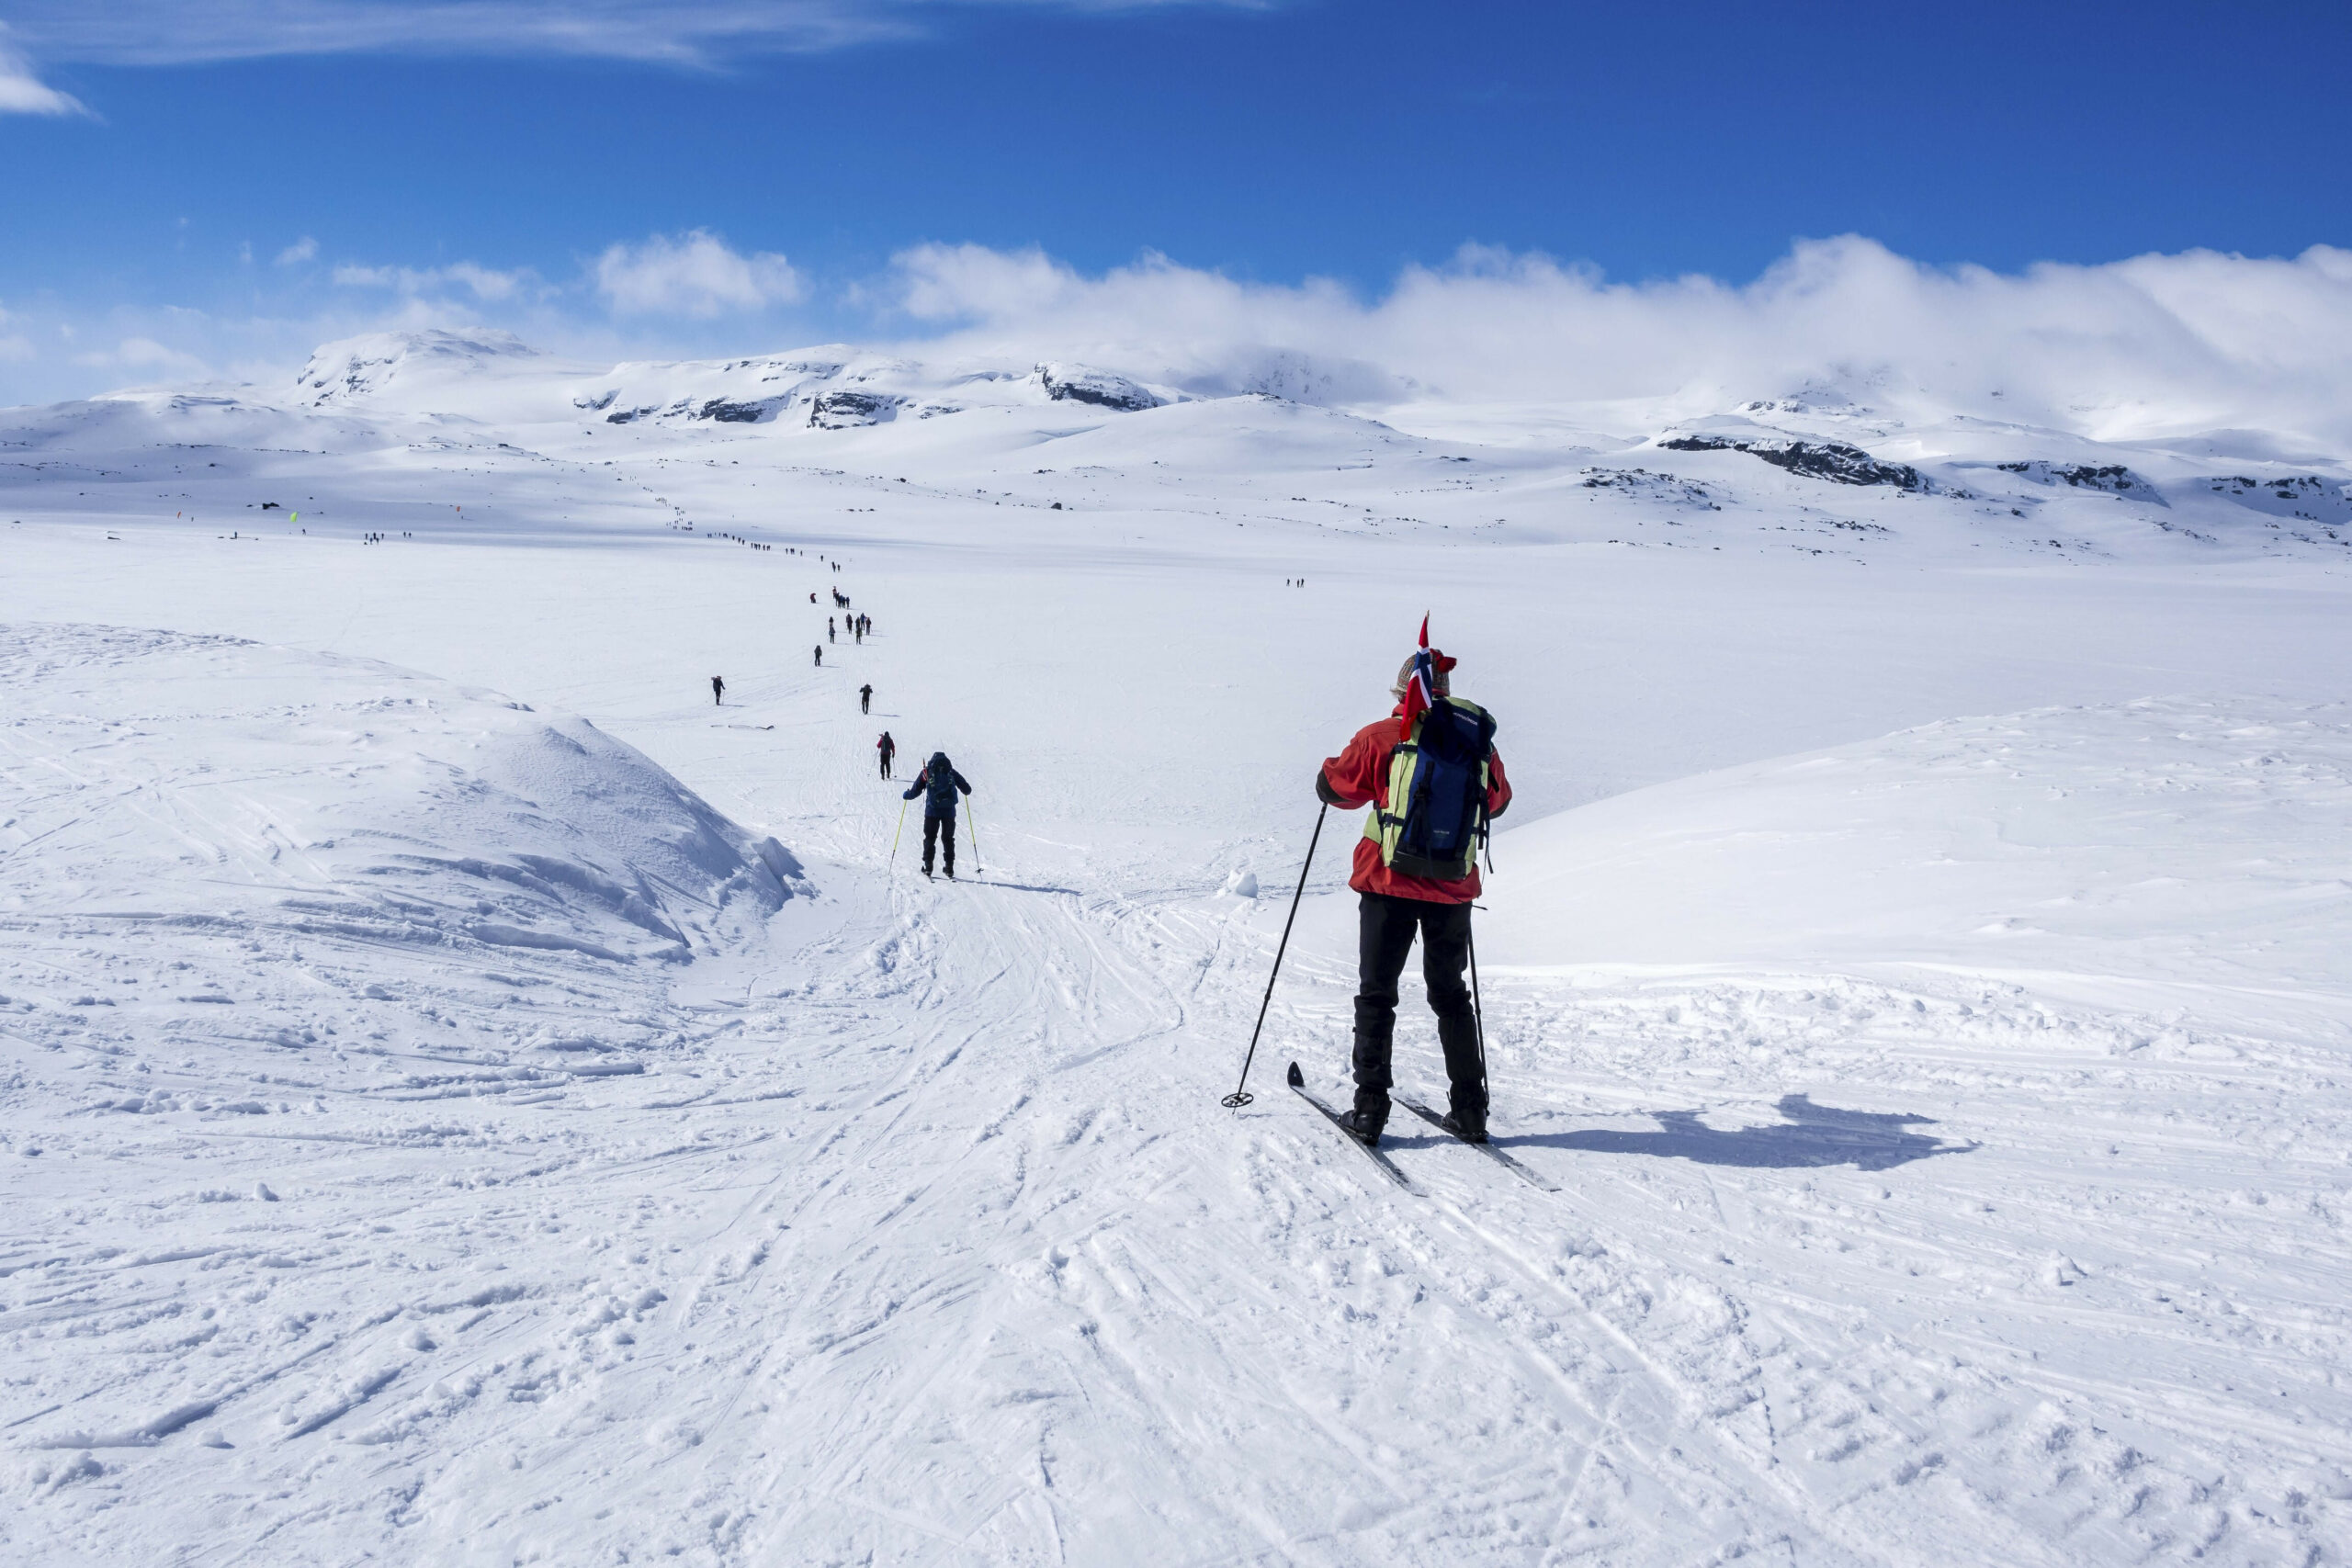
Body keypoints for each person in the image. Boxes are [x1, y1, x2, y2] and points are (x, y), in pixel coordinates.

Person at [1314, 642, 1510, 1145]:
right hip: (1452, 889)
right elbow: (1499, 800)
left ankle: (1369, 1112)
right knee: (1450, 995)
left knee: (1377, 994)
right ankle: (1470, 1112)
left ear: (1402, 692)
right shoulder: (1474, 742)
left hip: (1387, 884)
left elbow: (1337, 788)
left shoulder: (1383, 735)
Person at [902, 750, 972, 879]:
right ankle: (949, 868)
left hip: (932, 812)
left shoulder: (927, 772)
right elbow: (967, 789)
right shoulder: (951, 771)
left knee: (930, 838)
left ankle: (928, 867)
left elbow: (915, 790)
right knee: (948, 839)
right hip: (949, 812)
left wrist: (907, 795)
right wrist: (965, 791)